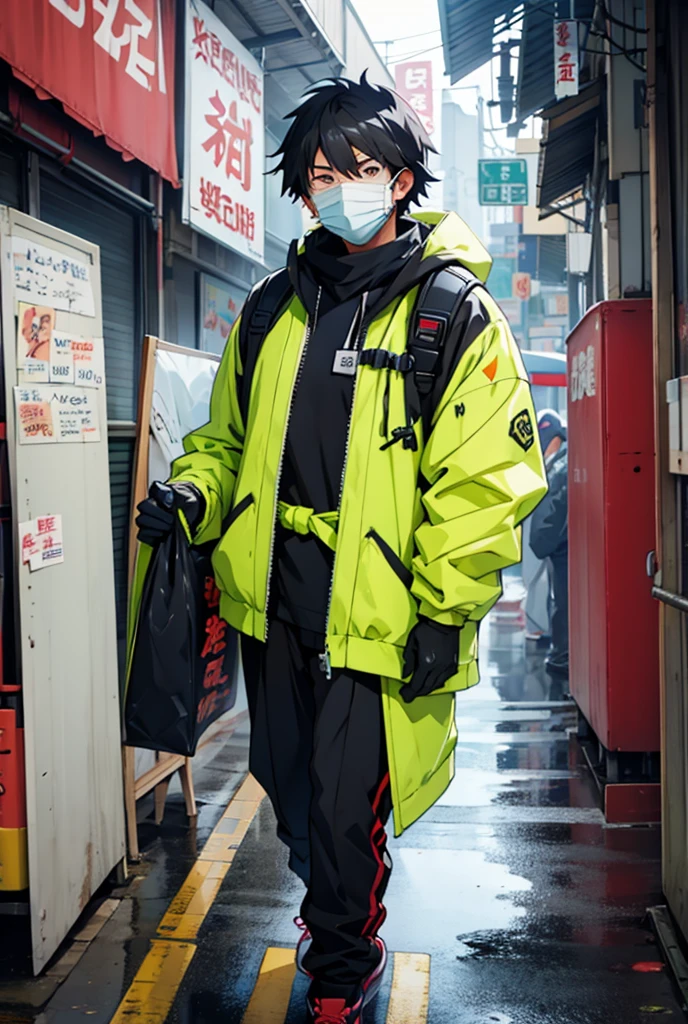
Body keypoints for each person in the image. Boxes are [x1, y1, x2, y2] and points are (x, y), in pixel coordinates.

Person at [136, 74, 547, 1024]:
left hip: (382, 610)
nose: (343, 187)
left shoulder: (453, 315)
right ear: (300, 185)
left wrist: (446, 610)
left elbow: (484, 484)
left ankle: (340, 969)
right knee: (288, 788)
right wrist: (194, 493)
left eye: (364, 168)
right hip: (275, 601)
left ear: (403, 179)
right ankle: (337, 915)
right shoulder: (272, 308)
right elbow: (225, 438)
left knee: (343, 801)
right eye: (323, 172)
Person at [530, 409, 568, 678]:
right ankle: (561, 653)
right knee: (560, 602)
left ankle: (563, 656)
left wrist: (541, 543)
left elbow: (552, 514)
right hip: (561, 550)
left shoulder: (560, 468)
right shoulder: (561, 464)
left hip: (563, 552)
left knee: (563, 604)